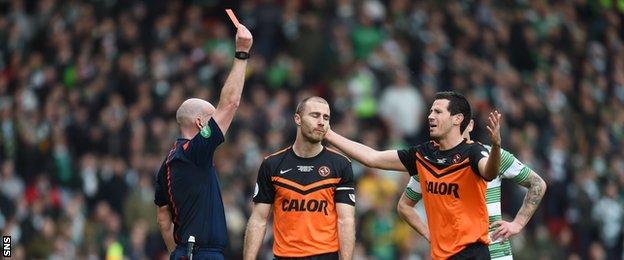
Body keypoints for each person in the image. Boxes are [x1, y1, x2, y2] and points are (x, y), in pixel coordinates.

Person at [324, 91, 502, 260]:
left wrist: (495, 147)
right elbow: (372, 157)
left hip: (472, 254)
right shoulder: (423, 154)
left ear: (457, 119)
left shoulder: (473, 152)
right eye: (431, 111)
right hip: (440, 255)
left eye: (438, 112)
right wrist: (329, 135)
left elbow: (489, 172)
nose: (430, 116)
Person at [153, 23, 253, 259]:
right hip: (204, 254)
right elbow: (230, 104)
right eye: (211, 118)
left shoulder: (167, 164)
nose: (216, 123)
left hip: (185, 252)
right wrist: (242, 53)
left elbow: (162, 217)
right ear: (200, 123)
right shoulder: (193, 152)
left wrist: (177, 253)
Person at [397, 119, 547, 260]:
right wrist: (430, 235)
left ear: (470, 125)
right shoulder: (431, 162)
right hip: (452, 253)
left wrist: (517, 224)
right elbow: (404, 206)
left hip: (495, 251)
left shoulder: (493, 156)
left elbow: (538, 183)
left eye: (460, 124)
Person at [243, 96, 356, 260]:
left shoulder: (341, 165)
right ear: (297, 119)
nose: (321, 122)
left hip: (325, 256)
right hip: (285, 256)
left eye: (326, 117)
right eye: (315, 115)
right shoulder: (272, 164)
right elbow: (259, 219)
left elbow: (346, 220)